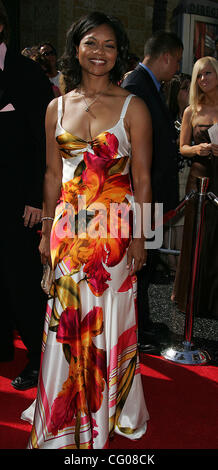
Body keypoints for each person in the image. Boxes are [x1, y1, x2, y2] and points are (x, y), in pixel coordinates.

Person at [24, 11, 152, 449]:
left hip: (115, 234)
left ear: (120, 54)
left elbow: (144, 178)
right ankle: (61, 415)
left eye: (110, 45)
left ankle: (104, 412)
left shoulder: (134, 106)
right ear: (75, 48)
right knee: (67, 321)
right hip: (67, 230)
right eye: (91, 43)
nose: (100, 53)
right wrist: (45, 231)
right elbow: (50, 174)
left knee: (109, 322)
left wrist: (142, 237)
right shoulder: (55, 106)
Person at [0, 3, 54, 388]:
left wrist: (37, 198)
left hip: (18, 200)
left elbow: (44, 142)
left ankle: (39, 358)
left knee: (21, 280)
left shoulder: (26, 73)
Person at [122, 30, 183, 352]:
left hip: (153, 195)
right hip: (142, 195)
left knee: (147, 260)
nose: (177, 69)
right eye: (176, 61)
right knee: (140, 263)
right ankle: (137, 327)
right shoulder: (136, 86)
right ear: (166, 57)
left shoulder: (150, 86)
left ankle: (142, 322)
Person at [172, 56, 218, 320]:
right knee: (196, 236)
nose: (203, 80)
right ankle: (190, 297)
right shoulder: (191, 110)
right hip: (199, 178)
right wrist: (198, 148)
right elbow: (182, 147)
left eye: (208, 74)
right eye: (199, 75)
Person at [163, 73, 191, 276]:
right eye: (184, 88)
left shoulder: (192, 116)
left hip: (189, 173)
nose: (189, 93)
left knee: (184, 218)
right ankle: (170, 262)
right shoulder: (167, 119)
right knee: (172, 217)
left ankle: (180, 262)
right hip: (173, 173)